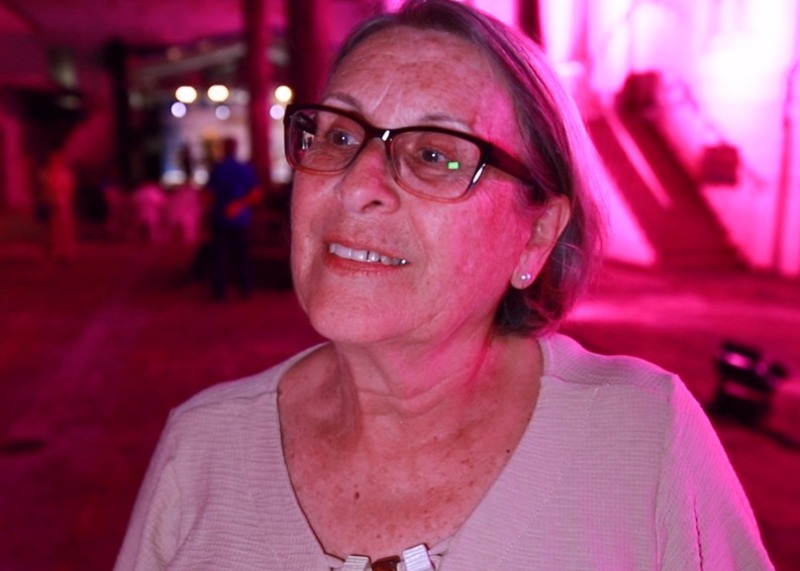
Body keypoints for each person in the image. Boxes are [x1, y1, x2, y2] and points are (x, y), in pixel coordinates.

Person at [114, 1, 774, 569]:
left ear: (536, 235)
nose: (356, 185)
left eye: (434, 154)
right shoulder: (202, 448)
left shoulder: (643, 441)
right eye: (339, 135)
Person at [205, 137, 263, 300]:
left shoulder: (218, 169)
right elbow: (256, 194)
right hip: (241, 220)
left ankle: (220, 292)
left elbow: (209, 195)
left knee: (220, 256)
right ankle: (245, 289)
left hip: (220, 218)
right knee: (241, 256)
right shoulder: (245, 169)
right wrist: (240, 205)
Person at [41, 149, 78, 261]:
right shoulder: (51, 174)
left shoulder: (65, 174)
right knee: (55, 228)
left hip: (63, 203)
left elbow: (68, 188)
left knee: (65, 227)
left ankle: (68, 251)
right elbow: (47, 187)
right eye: (52, 160)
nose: (54, 162)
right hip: (54, 202)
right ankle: (58, 251)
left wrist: (62, 198)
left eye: (56, 160)